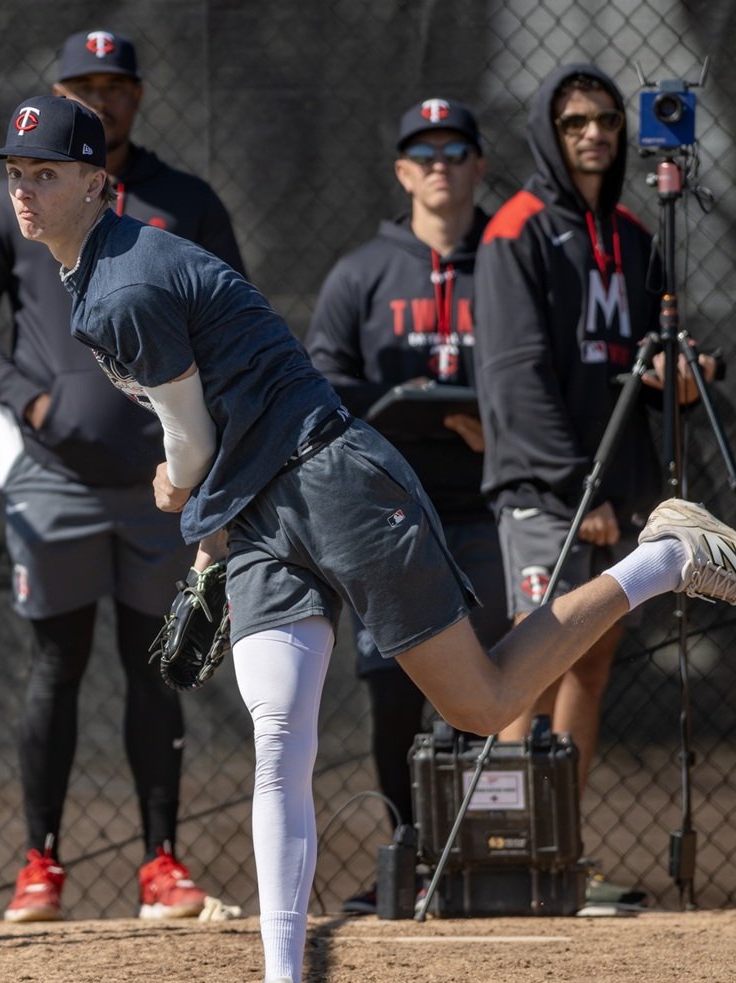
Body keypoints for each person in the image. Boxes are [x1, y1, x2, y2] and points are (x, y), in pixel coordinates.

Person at [0, 94, 736, 983]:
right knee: (278, 733)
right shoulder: (93, 270)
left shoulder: (125, 281)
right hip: (260, 507)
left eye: (47, 173)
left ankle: (665, 559)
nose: (25, 191)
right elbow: (217, 434)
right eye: (16, 175)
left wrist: (177, 493)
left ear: (98, 181)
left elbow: (192, 445)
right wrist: (211, 542)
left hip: (332, 478)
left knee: (482, 703)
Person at [0, 29, 243, 923]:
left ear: (138, 97)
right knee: (55, 661)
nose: (101, 99)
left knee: (157, 665)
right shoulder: (16, 203)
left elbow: (231, 319)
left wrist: (196, 451)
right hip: (55, 479)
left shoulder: (184, 202)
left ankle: (162, 865)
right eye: (83, 85)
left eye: (116, 85)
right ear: (58, 92)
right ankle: (40, 862)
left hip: (161, 480)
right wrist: (30, 402)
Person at [471, 64, 718, 905]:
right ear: (550, 130)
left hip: (621, 488)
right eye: (575, 121)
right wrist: (576, 491)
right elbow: (515, 376)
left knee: (592, 661)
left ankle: (560, 851)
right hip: (552, 489)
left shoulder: (634, 233)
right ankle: (504, 851)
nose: (594, 135)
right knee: (531, 663)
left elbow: (642, 354)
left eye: (608, 120)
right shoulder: (516, 229)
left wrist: (678, 378)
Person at [305, 97, 506, 914]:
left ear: (479, 165)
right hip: (388, 512)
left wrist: (498, 425)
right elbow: (320, 381)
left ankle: (477, 859)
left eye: (456, 151)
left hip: (487, 504)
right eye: (424, 154)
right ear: (401, 171)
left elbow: (544, 372)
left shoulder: (511, 258)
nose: (440, 166)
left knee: (480, 688)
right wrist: (403, 408)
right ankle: (410, 855)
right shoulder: (361, 272)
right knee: (393, 689)